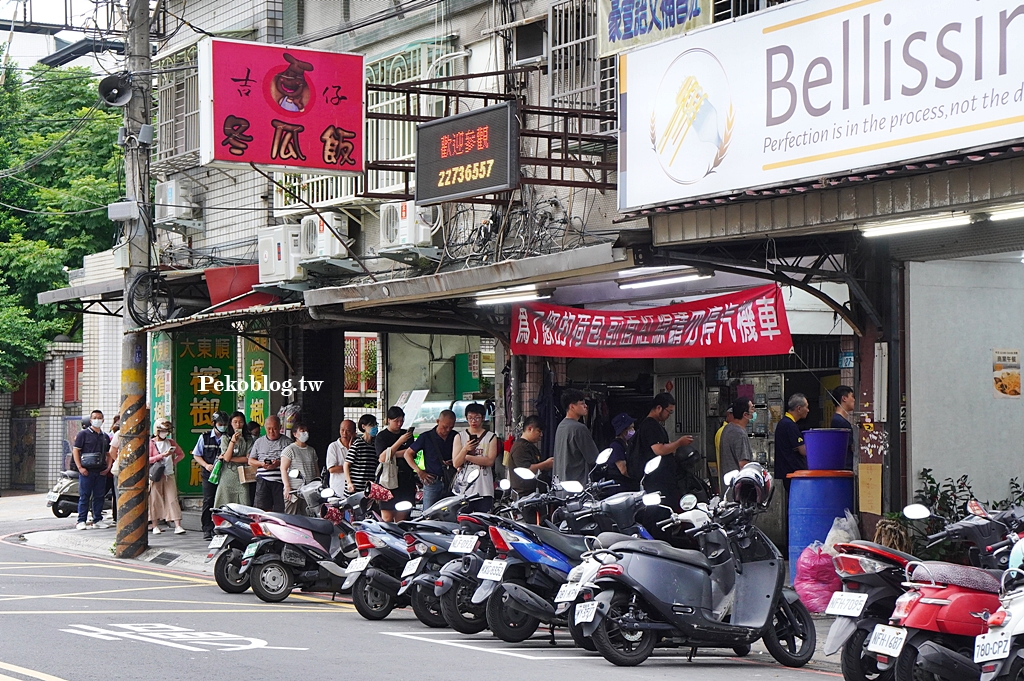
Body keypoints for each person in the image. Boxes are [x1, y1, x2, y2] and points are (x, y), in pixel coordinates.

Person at [636, 393, 694, 509]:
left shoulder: (655, 425)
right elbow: (659, 450)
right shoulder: (650, 426)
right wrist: (678, 443)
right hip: (658, 481)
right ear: (659, 408)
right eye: (669, 411)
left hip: (664, 478)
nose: (669, 415)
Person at [406, 410, 458, 509]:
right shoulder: (426, 437)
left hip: (451, 480)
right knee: (428, 513)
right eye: (445, 427)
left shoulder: (455, 436)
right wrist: (419, 471)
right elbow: (408, 454)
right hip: (432, 481)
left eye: (451, 427)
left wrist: (454, 461)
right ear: (438, 421)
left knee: (451, 513)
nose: (447, 430)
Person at [453, 403, 498, 512]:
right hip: (464, 488)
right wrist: (465, 449)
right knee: (464, 520)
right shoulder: (459, 437)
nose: (473, 421)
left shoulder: (491, 437)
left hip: (484, 487)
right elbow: (456, 463)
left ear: (483, 418)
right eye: (470, 418)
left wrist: (467, 457)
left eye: (477, 417)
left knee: (483, 520)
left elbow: (490, 461)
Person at [193, 411, 230, 539]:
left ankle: (220, 527)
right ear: (214, 423)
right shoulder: (205, 437)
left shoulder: (230, 437)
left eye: (225, 424)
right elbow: (196, 454)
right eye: (220, 424)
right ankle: (207, 528)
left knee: (223, 501)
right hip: (209, 474)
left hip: (225, 474)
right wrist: (206, 465)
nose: (223, 426)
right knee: (209, 500)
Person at [375, 406, 416, 521]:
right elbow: (382, 457)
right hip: (387, 480)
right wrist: (400, 442)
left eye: (401, 421)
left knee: (402, 517)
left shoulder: (407, 434)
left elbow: (411, 453)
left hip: (405, 479)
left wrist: (391, 453)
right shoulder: (382, 436)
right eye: (396, 421)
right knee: (387, 517)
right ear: (388, 420)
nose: (399, 424)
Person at [72, 409, 111, 530]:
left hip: (100, 471)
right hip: (86, 471)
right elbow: (76, 450)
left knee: (99, 496)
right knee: (84, 495)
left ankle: (97, 519)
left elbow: (109, 453)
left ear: (103, 420)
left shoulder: (105, 436)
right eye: (95, 418)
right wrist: (80, 467)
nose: (97, 420)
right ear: (90, 420)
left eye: (99, 418)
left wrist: (108, 467)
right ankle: (81, 520)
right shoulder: (83, 434)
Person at [553, 389, 599, 486]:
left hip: (560, 486)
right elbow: (593, 458)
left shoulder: (561, 426)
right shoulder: (579, 428)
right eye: (582, 403)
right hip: (579, 488)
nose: (586, 406)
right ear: (572, 406)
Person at [148, 418, 186, 534]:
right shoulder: (151, 443)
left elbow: (181, 454)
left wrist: (172, 463)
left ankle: (177, 525)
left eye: (166, 431)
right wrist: (162, 456)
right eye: (162, 431)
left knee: (172, 498)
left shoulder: (171, 442)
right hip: (156, 475)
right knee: (154, 499)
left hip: (169, 474)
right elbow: (148, 459)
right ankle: (155, 525)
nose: (165, 433)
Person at [248, 415, 292, 512]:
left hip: (280, 481)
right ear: (265, 428)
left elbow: (292, 462)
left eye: (275, 428)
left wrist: (279, 463)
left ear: (280, 427)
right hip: (263, 479)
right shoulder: (259, 442)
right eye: (269, 429)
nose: (271, 432)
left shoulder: (287, 442)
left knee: (280, 510)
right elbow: (250, 460)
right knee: (261, 509)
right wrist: (261, 464)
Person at [215, 411, 255, 507]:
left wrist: (230, 458)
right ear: (231, 423)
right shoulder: (225, 438)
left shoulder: (248, 439)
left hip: (242, 475)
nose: (238, 425)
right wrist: (232, 441)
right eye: (235, 422)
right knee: (225, 502)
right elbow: (227, 458)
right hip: (227, 475)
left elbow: (248, 459)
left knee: (243, 502)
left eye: (241, 422)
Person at [775, 393, 809, 494]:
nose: (808, 410)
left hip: (787, 471)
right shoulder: (789, 425)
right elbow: (803, 450)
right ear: (799, 408)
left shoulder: (784, 423)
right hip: (792, 472)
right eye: (806, 407)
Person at [281, 422, 319, 515]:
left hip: (309, 491)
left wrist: (317, 484)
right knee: (291, 516)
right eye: (302, 431)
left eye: (306, 431)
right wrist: (287, 487)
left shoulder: (311, 450)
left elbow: (316, 468)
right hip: (294, 489)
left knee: (308, 516)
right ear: (294, 434)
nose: (305, 433)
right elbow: (283, 469)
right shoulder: (289, 449)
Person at [508, 415, 549, 496]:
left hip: (536, 493)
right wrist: (546, 464)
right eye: (539, 431)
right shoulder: (520, 447)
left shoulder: (531, 446)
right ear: (530, 429)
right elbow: (527, 469)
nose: (541, 435)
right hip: (524, 496)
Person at [719, 398, 754, 487]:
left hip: (728, 487)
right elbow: (743, 465)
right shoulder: (739, 434)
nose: (754, 412)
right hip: (739, 490)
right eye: (752, 409)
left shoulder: (728, 428)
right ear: (745, 414)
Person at [347, 414, 379, 494]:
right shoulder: (358, 443)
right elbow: (346, 464)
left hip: (369, 488)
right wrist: (349, 483)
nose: (374, 427)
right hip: (355, 487)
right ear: (363, 427)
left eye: (376, 424)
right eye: (371, 425)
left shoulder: (376, 444)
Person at [326, 419, 357, 495]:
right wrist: (349, 467)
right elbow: (332, 469)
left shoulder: (357, 446)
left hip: (355, 488)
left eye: (348, 431)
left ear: (354, 432)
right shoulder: (333, 446)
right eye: (342, 430)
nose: (344, 434)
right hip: (338, 489)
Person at [831, 385, 856, 469]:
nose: (854, 400)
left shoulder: (838, 420)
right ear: (844, 398)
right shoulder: (839, 422)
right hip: (846, 466)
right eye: (852, 396)